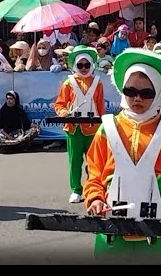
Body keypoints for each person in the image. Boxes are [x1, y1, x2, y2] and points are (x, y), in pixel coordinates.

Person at [82, 48, 161, 261]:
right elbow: (94, 174)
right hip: (111, 233)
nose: (137, 98)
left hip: (158, 236)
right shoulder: (107, 128)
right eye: (131, 91)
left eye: (146, 93)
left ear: (157, 93)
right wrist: (94, 198)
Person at [52, 45, 106, 204]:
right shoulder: (68, 83)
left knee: (94, 162)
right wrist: (63, 113)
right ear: (75, 65)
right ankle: (76, 189)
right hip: (74, 128)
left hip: (93, 128)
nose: (83, 68)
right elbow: (60, 104)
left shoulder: (97, 83)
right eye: (80, 65)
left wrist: (103, 126)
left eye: (87, 65)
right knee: (74, 161)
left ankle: (93, 188)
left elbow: (100, 106)